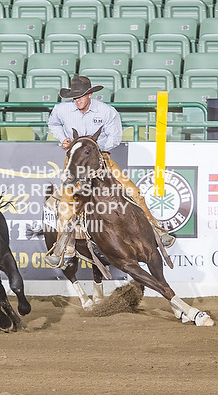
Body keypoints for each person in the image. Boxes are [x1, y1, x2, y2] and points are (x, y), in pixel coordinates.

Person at [45, 75, 175, 268]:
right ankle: (63, 247)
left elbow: (115, 137)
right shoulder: (61, 110)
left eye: (80, 96)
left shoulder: (106, 112)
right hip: (74, 161)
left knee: (133, 192)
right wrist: (63, 138)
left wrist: (94, 149)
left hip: (101, 160)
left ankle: (157, 229)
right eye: (74, 97)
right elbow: (53, 123)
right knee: (66, 202)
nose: (77, 100)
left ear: (90, 95)